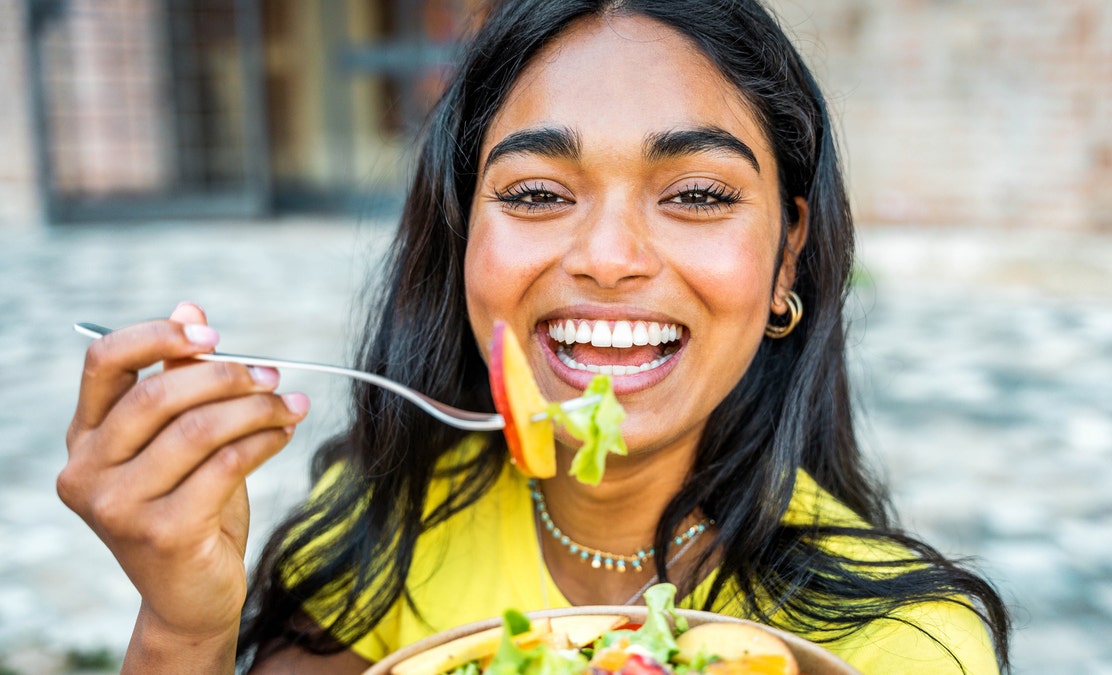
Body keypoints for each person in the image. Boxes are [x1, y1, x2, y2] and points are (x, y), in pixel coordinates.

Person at [59, 0, 1012, 673]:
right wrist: (184, 627)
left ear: (786, 258)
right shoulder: (382, 523)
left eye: (697, 194)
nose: (607, 255)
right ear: (462, 236)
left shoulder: (900, 645)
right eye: (536, 194)